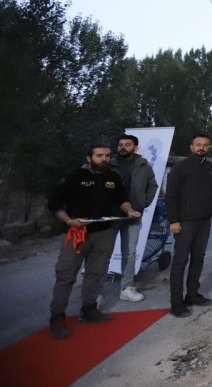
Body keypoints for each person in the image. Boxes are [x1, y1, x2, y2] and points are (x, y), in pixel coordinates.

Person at [47, 144, 141, 340]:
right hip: (77, 233)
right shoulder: (76, 177)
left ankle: (89, 309)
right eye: (99, 155)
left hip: (104, 233)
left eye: (107, 155)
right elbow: (54, 204)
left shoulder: (113, 178)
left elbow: (122, 199)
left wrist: (129, 210)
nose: (104, 159)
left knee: (96, 273)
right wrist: (69, 221)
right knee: (66, 274)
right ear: (89, 158)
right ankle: (57, 317)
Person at [167, 133, 212, 318]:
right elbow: (171, 194)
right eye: (198, 144)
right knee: (180, 261)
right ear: (191, 146)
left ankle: (192, 294)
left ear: (208, 147)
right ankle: (176, 303)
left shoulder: (209, 166)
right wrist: (173, 220)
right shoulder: (180, 167)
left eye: (205, 145)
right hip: (185, 222)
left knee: (198, 259)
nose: (201, 147)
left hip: (204, 221)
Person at [111, 133, 159, 303]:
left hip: (133, 215)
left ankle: (126, 287)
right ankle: (95, 293)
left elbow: (152, 185)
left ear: (135, 147)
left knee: (129, 252)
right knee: (102, 252)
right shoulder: (109, 164)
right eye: (120, 144)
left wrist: (143, 203)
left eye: (127, 144)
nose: (123, 147)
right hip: (109, 215)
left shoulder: (143, 165)